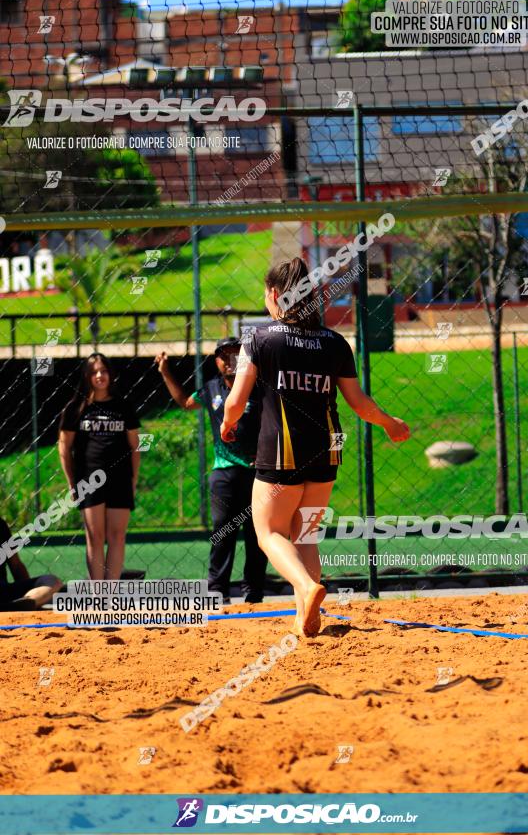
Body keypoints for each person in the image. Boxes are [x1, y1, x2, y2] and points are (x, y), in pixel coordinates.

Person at [220, 258, 410, 638]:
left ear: (275, 295)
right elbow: (358, 403)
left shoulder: (259, 338)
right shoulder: (334, 342)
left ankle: (307, 589)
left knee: (269, 533)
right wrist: (390, 423)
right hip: (326, 449)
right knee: (305, 533)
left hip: (281, 450)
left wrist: (228, 423)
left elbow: (236, 400)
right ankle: (306, 616)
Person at [155, 338, 267, 604]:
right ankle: (217, 591)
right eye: (223, 355)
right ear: (216, 361)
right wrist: (165, 371)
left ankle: (253, 592)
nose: (229, 360)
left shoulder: (259, 388)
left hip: (257, 473)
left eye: (235, 354)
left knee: (258, 534)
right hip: (224, 474)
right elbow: (184, 401)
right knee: (223, 531)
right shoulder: (210, 389)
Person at [58, 353, 141, 580]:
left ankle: (110, 593)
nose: (99, 376)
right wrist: (72, 483)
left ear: (110, 374)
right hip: (89, 480)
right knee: (94, 537)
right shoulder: (75, 408)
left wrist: (133, 480)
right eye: (94, 372)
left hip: (120, 479)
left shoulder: (123, 406)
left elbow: (135, 446)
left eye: (103, 371)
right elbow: (64, 448)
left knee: (117, 536)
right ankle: (98, 597)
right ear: (87, 376)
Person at [0, 516, 62, 611]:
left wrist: (28, 591)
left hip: (3, 592)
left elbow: (16, 566)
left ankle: (21, 604)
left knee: (51, 580)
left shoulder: (1, 525)